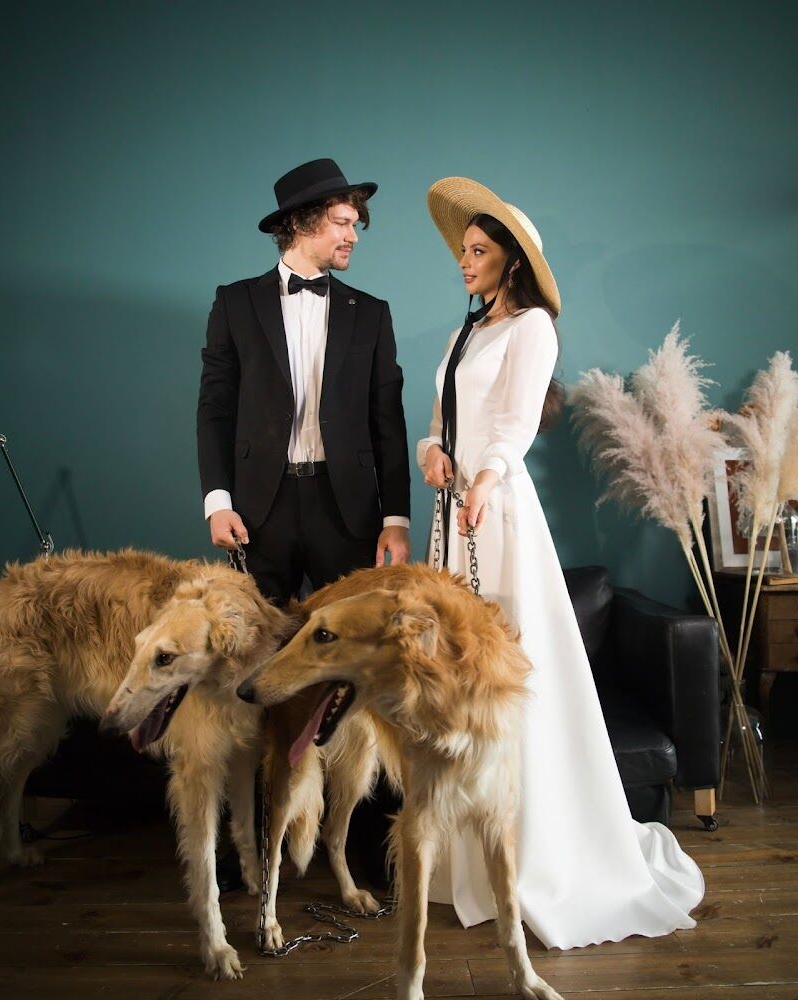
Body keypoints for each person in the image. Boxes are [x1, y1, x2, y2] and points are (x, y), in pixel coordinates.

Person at [417, 176, 704, 949]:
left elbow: (512, 426)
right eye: (463, 249)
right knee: (458, 677)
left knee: (507, 671)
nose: (464, 261)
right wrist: (432, 451)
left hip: (498, 511)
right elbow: (441, 419)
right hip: (453, 515)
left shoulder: (532, 327)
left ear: (512, 261)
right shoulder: (464, 334)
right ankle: (467, 857)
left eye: (478, 251)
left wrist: (482, 478)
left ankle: (536, 852)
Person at [197, 158, 410, 888]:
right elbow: (214, 408)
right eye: (344, 222)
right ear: (301, 223)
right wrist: (218, 501)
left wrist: (395, 517)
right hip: (257, 512)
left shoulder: (370, 312)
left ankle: (360, 843)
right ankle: (251, 845)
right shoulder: (235, 303)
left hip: (346, 511)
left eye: (355, 224)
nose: (354, 235)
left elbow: (388, 422)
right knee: (250, 669)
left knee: (359, 670)